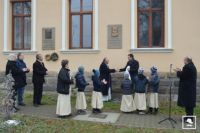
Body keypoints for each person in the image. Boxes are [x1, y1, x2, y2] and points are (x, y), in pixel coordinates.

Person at [174, 57, 197, 123]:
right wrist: (181, 71)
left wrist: (178, 72)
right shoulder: (192, 66)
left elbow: (183, 76)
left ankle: (189, 119)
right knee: (189, 104)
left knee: (188, 104)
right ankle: (189, 117)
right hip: (190, 89)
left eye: (184, 60)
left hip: (187, 89)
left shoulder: (187, 67)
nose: (183, 62)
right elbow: (186, 75)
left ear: (187, 61)